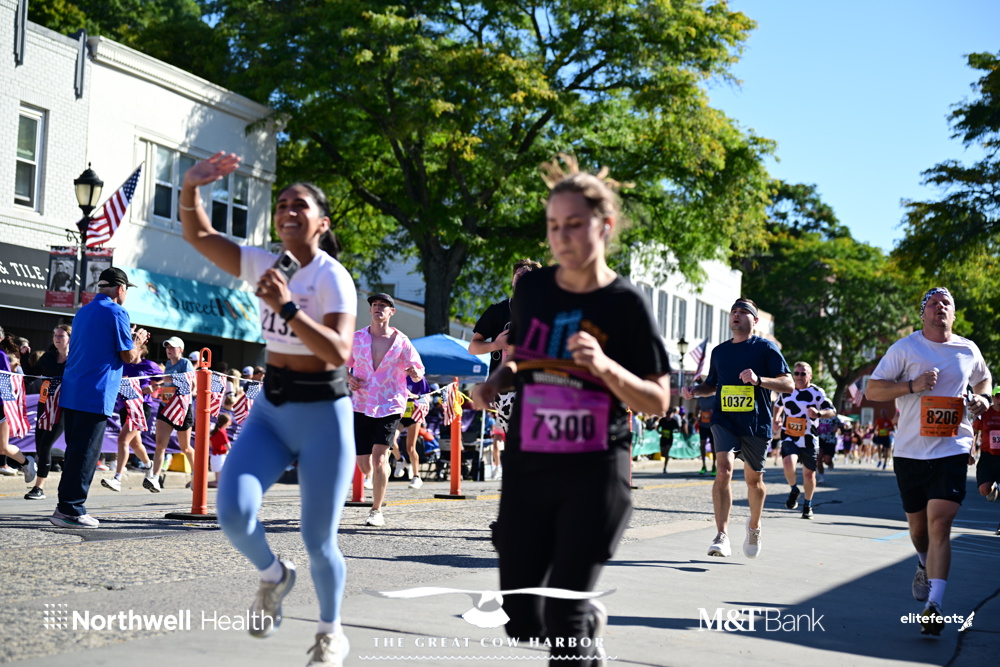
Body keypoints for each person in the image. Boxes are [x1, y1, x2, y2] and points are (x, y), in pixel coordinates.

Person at [472, 155, 671, 665]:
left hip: (595, 468)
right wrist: (495, 382)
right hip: (530, 463)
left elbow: (658, 399)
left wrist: (604, 366)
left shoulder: (625, 303)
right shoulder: (534, 292)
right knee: (521, 618)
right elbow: (523, 360)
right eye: (554, 225)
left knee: (564, 617)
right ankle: (585, 622)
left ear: (605, 226)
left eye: (575, 224)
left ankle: (580, 623)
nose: (562, 236)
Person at [181, 152, 357, 665]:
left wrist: (286, 307)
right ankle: (273, 575)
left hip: (324, 414)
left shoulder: (332, 277)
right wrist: (190, 187)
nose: (287, 211)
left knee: (318, 540)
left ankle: (330, 632)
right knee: (233, 513)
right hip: (272, 410)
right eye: (281, 204)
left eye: (299, 205)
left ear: (322, 223)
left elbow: (338, 352)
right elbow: (200, 236)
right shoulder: (265, 263)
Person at [865, 287, 991, 636]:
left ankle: (934, 605)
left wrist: (983, 399)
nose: (940, 307)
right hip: (910, 451)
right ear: (923, 314)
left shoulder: (967, 349)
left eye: (946, 303)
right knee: (919, 530)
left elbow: (983, 379)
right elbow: (872, 390)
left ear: (953, 313)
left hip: (953, 446)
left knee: (940, 523)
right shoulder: (905, 348)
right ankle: (923, 563)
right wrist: (911, 385)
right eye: (933, 304)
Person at [682, 298, 792, 558]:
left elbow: (788, 384)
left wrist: (759, 379)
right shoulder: (720, 351)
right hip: (724, 420)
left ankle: (754, 526)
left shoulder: (765, 348)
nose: (737, 315)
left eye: (744, 312)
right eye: (734, 311)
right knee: (723, 470)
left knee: (754, 481)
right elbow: (712, 384)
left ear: (755, 320)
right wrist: (695, 390)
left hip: (755, 422)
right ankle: (721, 535)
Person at [49, 268, 149, 527]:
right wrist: (137, 341)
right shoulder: (117, 312)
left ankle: (65, 507)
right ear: (120, 289)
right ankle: (70, 509)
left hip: (73, 391)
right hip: (95, 392)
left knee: (75, 453)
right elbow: (129, 356)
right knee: (85, 455)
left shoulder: (82, 312)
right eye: (126, 290)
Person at [347, 292, 425, 526]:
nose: (378, 308)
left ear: (392, 312)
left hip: (390, 403)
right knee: (364, 464)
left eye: (383, 305)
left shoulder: (402, 341)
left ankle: (376, 510)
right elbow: (341, 364)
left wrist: (414, 373)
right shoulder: (357, 338)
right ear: (370, 310)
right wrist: (348, 378)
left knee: (380, 457)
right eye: (375, 304)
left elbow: (419, 371)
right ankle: (373, 476)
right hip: (361, 403)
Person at [468, 259, 542, 435]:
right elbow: (473, 348)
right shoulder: (498, 311)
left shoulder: (545, 312)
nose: (521, 279)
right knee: (516, 439)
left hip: (536, 384)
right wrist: (496, 344)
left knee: (535, 438)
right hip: (505, 388)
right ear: (513, 281)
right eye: (518, 276)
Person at [774, 362, 836, 519]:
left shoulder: (816, 392)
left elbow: (832, 411)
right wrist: (776, 418)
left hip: (809, 438)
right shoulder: (787, 389)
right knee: (788, 463)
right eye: (796, 373)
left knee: (809, 475)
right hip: (789, 434)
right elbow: (778, 404)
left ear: (810, 376)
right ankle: (794, 489)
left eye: (803, 373)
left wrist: (819, 414)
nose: (799, 376)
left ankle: (808, 504)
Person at [103, 343, 161, 493]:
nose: (127, 351)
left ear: (140, 349)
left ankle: (117, 479)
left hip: (141, 406)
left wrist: (154, 387)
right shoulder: (121, 364)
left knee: (123, 440)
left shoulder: (149, 365)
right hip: (125, 406)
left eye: (131, 348)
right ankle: (148, 465)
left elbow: (165, 378)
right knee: (135, 443)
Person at [24, 325, 72, 500]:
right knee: (40, 446)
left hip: (64, 407)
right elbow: (30, 376)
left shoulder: (76, 358)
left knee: (45, 446)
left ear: (70, 339)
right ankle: (58, 462)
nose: (57, 338)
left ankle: (39, 488)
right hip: (45, 404)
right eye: (55, 335)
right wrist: (24, 357)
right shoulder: (48, 357)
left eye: (61, 336)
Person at [149, 336, 196, 491]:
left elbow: (189, 383)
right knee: (160, 444)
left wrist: (166, 378)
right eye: (167, 347)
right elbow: (167, 382)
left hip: (182, 406)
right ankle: (155, 478)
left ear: (180, 350)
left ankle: (196, 474)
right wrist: (158, 386)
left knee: (185, 447)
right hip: (166, 404)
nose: (168, 350)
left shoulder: (186, 363)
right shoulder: (168, 364)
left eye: (172, 347)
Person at [0, 325, 37, 484]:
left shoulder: (1, 356)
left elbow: (6, 385)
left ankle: (26, 462)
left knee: (3, 448)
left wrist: (7, 409)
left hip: (1, 407)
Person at [391, 375, 432, 488]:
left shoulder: (419, 377)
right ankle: (400, 460)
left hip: (414, 413)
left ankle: (416, 476)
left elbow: (426, 396)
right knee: (391, 440)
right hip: (400, 413)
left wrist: (413, 396)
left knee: (410, 448)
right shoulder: (397, 374)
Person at [972, 387, 1000, 535]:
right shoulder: (984, 414)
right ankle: (994, 488)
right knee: (984, 490)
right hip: (988, 456)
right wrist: (970, 452)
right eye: (997, 397)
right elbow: (974, 432)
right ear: (993, 398)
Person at [209, 412, 232, 489]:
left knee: (219, 481)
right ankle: (199, 483)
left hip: (215, 456)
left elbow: (210, 444)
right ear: (227, 422)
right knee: (219, 483)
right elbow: (228, 446)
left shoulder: (216, 431)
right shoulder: (221, 432)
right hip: (220, 456)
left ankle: (200, 483)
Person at [658, 407, 683, 473]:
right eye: (667, 413)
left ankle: (665, 467)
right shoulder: (662, 420)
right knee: (663, 453)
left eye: (669, 413)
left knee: (666, 451)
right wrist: (659, 432)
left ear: (672, 414)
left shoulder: (673, 421)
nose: (668, 414)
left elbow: (679, 428)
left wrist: (676, 431)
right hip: (663, 438)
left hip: (669, 438)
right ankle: (666, 458)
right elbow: (658, 428)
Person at [695, 395, 715, 475]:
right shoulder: (700, 399)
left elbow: (720, 409)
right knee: (702, 444)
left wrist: (713, 412)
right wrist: (697, 417)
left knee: (713, 446)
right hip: (703, 425)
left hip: (712, 425)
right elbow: (697, 408)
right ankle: (703, 465)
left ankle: (714, 466)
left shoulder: (714, 397)